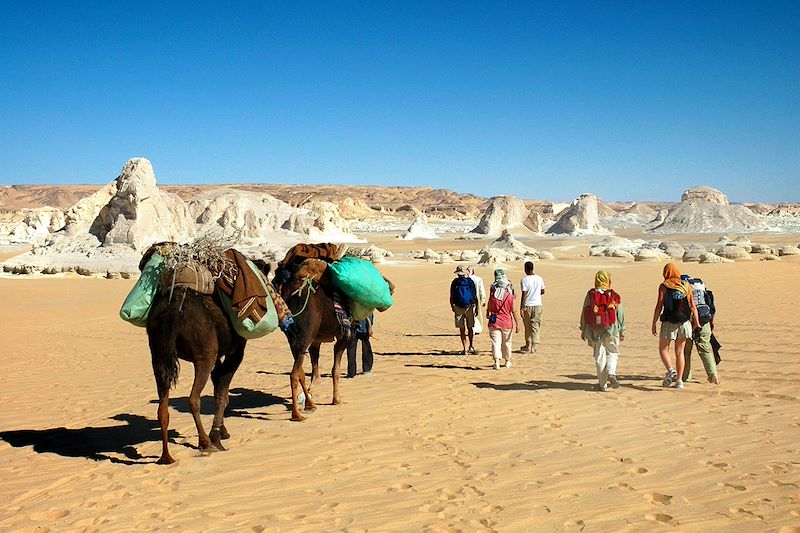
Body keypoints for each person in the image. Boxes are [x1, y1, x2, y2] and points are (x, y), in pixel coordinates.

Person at [651, 263, 700, 390]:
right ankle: (679, 381)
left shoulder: (664, 286)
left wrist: (654, 322)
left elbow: (659, 305)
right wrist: (697, 323)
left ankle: (671, 370)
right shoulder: (686, 285)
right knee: (680, 352)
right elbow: (693, 306)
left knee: (663, 349)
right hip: (684, 322)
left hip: (668, 321)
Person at [580, 271, 626, 391]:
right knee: (612, 352)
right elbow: (620, 313)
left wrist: (583, 328)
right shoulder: (613, 295)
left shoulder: (591, 295)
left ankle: (602, 385)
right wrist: (622, 329)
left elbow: (584, 312)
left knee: (599, 356)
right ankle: (611, 373)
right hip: (611, 328)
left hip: (594, 329)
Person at [681, 274, 720, 384]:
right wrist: (711, 322)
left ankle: (685, 376)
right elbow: (712, 308)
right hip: (705, 321)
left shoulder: (683, 291)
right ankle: (713, 375)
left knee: (686, 351)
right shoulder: (704, 292)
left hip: (688, 323)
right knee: (705, 349)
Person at [486, 269, 521, 369]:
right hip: (507, 322)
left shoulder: (493, 295)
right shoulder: (510, 296)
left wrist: (487, 312)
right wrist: (518, 323)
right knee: (507, 343)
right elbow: (514, 311)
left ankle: (496, 362)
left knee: (495, 343)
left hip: (494, 321)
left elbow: (490, 306)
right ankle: (507, 361)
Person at [450, 265, 478, 354]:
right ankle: (471, 346)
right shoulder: (470, 281)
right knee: (470, 327)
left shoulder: (454, 282)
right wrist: (477, 307)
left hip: (458, 307)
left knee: (462, 329)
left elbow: (451, 296)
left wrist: (453, 307)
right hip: (469, 307)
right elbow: (474, 295)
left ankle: (464, 348)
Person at [519, 260, 545, 354]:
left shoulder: (524, 280)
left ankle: (528, 345)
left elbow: (524, 294)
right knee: (536, 326)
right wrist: (535, 292)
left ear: (525, 269)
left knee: (527, 326)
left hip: (528, 305)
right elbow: (543, 291)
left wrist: (522, 307)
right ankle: (534, 346)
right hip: (538, 305)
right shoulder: (539, 278)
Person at [467, 265, 487, 335]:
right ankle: (477, 329)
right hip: (477, 299)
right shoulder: (478, 279)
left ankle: (471, 328)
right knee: (477, 314)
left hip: (467, 300)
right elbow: (482, 290)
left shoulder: (466, 279)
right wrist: (483, 300)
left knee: (469, 314)